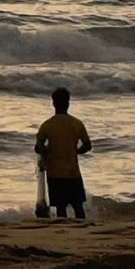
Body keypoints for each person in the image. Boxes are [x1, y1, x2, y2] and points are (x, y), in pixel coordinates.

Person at [35, 87, 92, 219]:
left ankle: (65, 233)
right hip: (73, 172)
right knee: (78, 206)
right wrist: (75, 151)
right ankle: (83, 229)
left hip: (54, 173)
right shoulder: (77, 123)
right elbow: (88, 145)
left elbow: (38, 147)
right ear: (68, 103)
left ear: (53, 103)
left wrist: (45, 152)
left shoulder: (47, 125)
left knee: (61, 208)